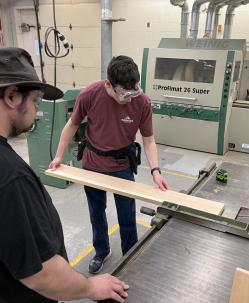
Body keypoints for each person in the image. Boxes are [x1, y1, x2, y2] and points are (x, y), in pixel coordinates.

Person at [0, 47, 129, 303]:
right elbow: (40, 274)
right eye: (36, 101)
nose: (37, 111)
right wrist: (90, 289)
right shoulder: (11, 178)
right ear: (12, 96)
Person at [49, 55, 169, 274]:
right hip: (93, 163)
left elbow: (148, 139)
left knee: (127, 215)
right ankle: (102, 251)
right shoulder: (90, 94)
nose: (129, 98)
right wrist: (59, 156)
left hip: (122, 165)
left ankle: (130, 256)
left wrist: (155, 171)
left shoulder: (142, 102)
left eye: (134, 91)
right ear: (108, 85)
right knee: (96, 213)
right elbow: (72, 125)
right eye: (124, 93)